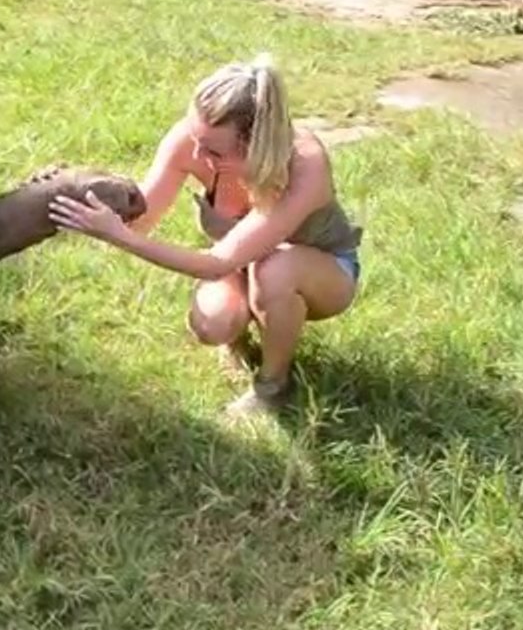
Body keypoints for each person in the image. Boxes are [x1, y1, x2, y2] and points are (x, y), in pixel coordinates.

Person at [48, 54, 362, 416]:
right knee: (213, 323)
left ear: (255, 144)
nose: (196, 153)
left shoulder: (304, 164)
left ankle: (272, 386)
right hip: (241, 265)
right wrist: (78, 196)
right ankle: (241, 335)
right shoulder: (193, 141)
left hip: (321, 274)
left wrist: (121, 238)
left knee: (275, 269)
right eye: (195, 137)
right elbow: (141, 219)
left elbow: (215, 264)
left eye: (212, 150)